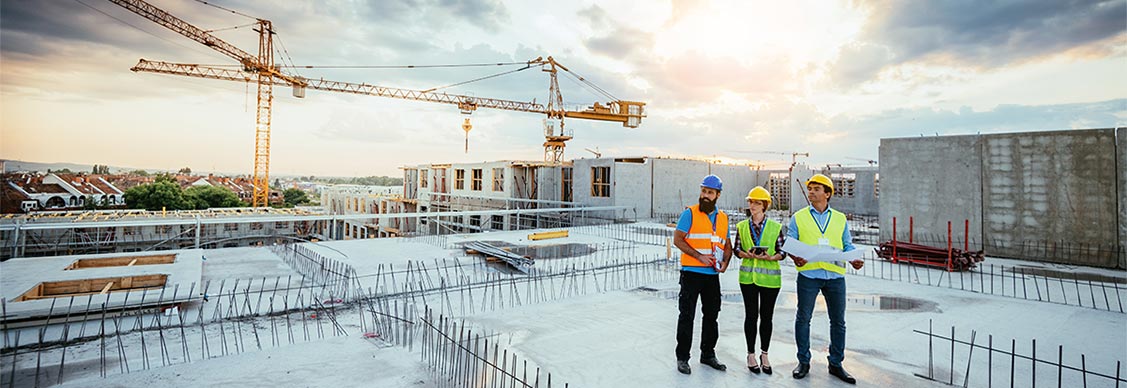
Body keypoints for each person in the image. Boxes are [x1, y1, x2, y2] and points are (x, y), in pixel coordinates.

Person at [788, 174, 865, 384]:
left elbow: (847, 244)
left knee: (838, 322)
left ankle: (836, 363)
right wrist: (796, 257)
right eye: (810, 188)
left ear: (827, 193)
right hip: (809, 275)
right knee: (803, 319)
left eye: (816, 189)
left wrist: (854, 259)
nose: (811, 192)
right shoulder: (799, 217)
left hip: (835, 277)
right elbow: (790, 243)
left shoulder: (840, 218)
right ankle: (803, 361)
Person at [672, 174, 733, 375]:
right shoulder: (689, 214)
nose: (705, 195)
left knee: (712, 316)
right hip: (691, 273)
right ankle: (683, 358)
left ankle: (707, 354)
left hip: (712, 275)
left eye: (710, 192)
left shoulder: (723, 218)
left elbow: (727, 246)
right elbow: (678, 240)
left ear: (717, 195)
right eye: (703, 191)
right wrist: (699, 256)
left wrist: (725, 262)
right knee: (687, 316)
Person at [732, 186, 786, 375]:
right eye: (750, 202)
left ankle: (765, 354)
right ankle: (750, 354)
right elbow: (736, 249)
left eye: (756, 202)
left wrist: (771, 258)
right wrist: (744, 253)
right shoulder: (741, 226)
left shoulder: (775, 227)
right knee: (751, 316)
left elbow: (782, 252)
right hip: (748, 279)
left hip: (770, 281)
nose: (752, 205)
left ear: (764, 206)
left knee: (767, 317)